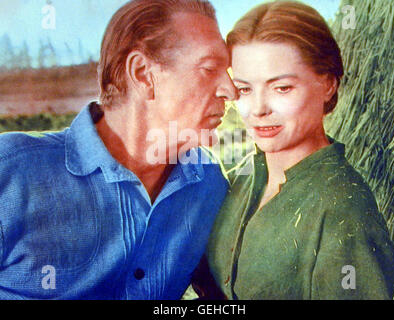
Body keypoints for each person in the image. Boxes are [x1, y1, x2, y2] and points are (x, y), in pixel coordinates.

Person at [0, 0, 236, 299]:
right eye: (209, 68)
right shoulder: (10, 171)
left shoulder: (209, 183)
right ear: (142, 74)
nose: (231, 90)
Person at [193, 1, 394, 300]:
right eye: (245, 89)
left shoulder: (344, 212)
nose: (258, 110)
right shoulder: (241, 178)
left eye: (282, 88)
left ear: (327, 84)